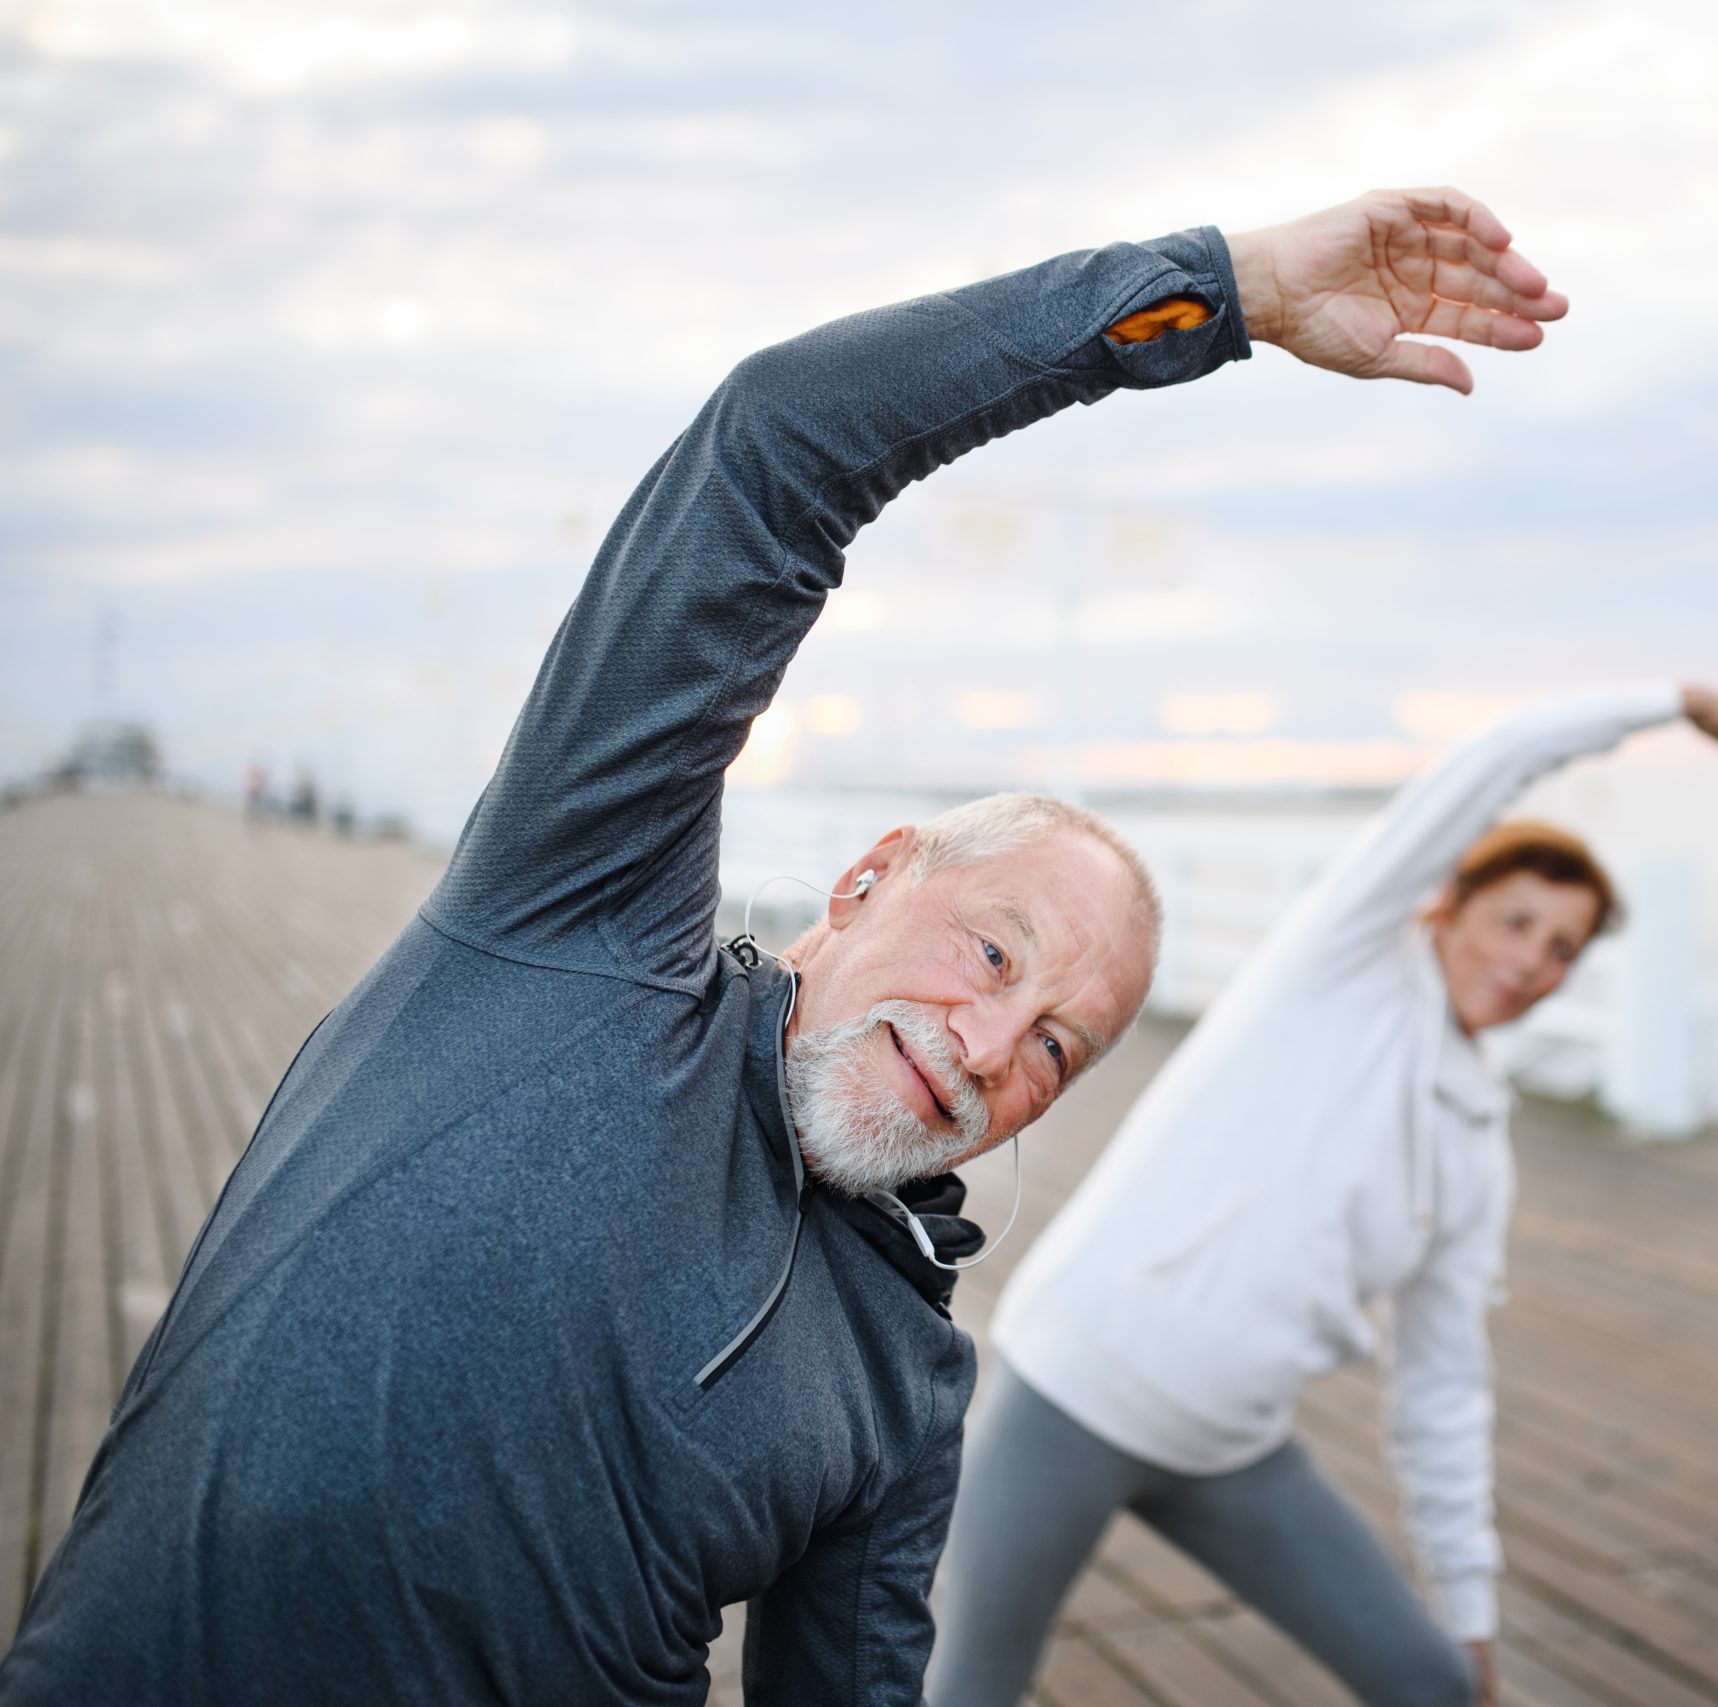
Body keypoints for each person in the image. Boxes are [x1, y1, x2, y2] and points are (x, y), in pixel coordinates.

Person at [0, 187, 1568, 1707]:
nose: (987, 1048)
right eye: (994, 952)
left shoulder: (904, 1380)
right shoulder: (573, 920)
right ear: (874, 873)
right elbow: (775, 450)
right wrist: (1220, 285)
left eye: (1055, 1051)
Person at [929, 683, 1718, 1707]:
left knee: (1434, 1688)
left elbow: (1442, 1385)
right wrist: (1672, 707)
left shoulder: (1477, 1146)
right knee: (968, 1691)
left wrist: (1471, 1611)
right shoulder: (1337, 966)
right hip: (1074, 1397)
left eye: (1561, 948)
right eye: (1516, 920)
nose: (1531, 958)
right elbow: (1492, 759)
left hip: (1231, 1445)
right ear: (1445, 903)